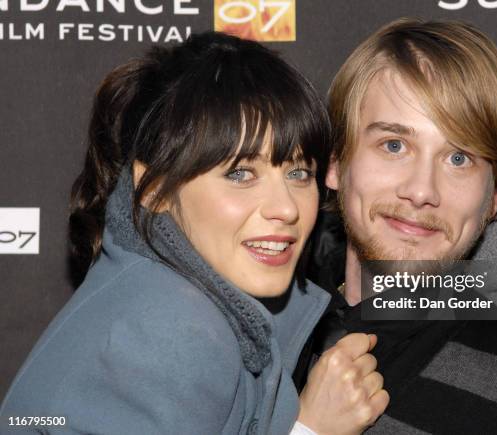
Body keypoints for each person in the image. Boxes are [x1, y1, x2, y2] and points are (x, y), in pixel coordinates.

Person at [0, 32, 389, 434]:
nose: (287, 207)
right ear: (153, 190)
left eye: (298, 172)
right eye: (240, 174)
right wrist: (311, 430)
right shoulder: (170, 330)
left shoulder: (167, 297)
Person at [298, 18, 497, 433]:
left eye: (459, 158)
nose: (421, 191)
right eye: (394, 145)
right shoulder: (256, 343)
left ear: (495, 198)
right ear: (335, 164)